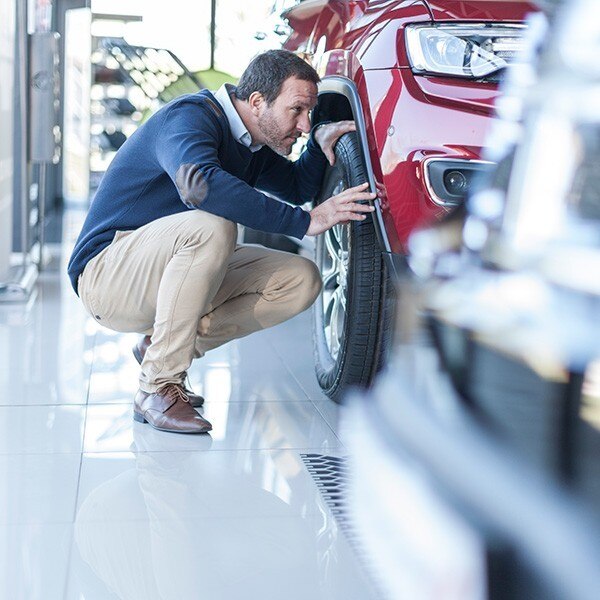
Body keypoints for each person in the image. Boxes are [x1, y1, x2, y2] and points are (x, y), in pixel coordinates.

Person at [68, 49, 375, 434]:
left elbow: (296, 187)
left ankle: (159, 349)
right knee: (213, 224)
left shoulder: (252, 145)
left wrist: (317, 143)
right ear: (257, 101)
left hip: (162, 271)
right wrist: (307, 221)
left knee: (300, 279)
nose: (303, 123)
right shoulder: (189, 118)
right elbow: (199, 186)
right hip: (106, 276)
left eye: (309, 113)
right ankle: (158, 385)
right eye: (296, 110)